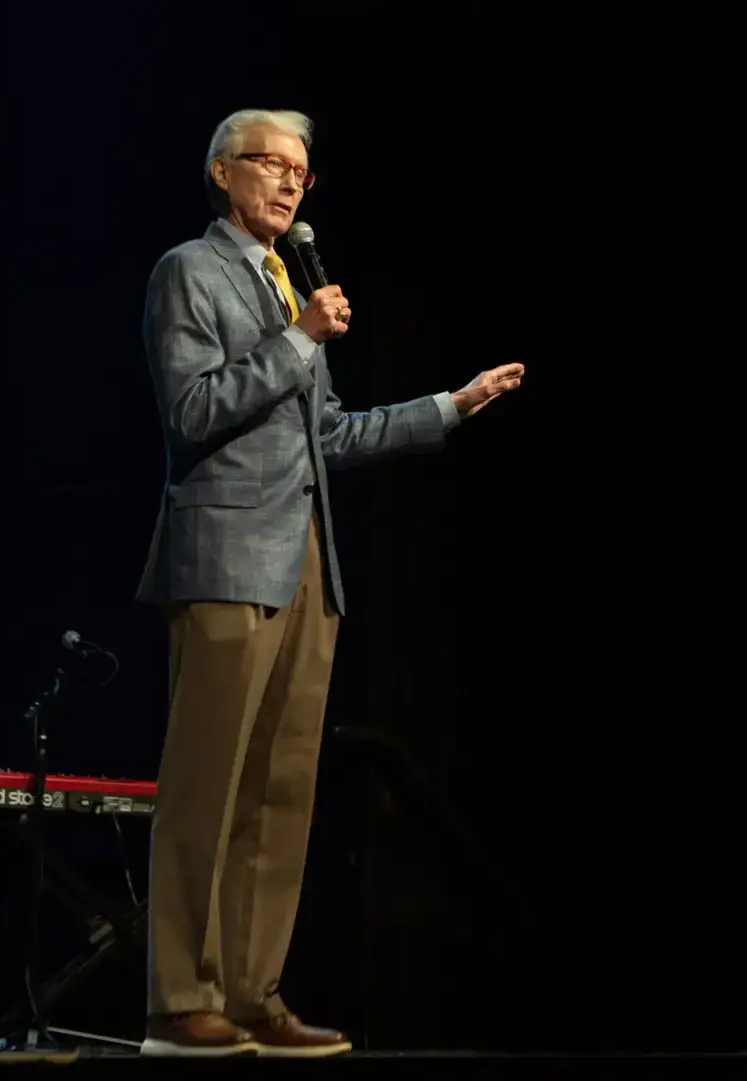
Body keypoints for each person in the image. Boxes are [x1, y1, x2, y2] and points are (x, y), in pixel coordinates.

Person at [133, 108, 523, 1058]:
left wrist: (448, 406)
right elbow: (192, 410)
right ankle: (180, 997)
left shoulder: (283, 286)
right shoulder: (192, 270)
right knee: (208, 785)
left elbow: (330, 436)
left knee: (280, 792)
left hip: (309, 561)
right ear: (222, 173)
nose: (285, 182)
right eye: (268, 164)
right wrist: (300, 338)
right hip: (226, 557)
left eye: (300, 172)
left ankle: (253, 992)